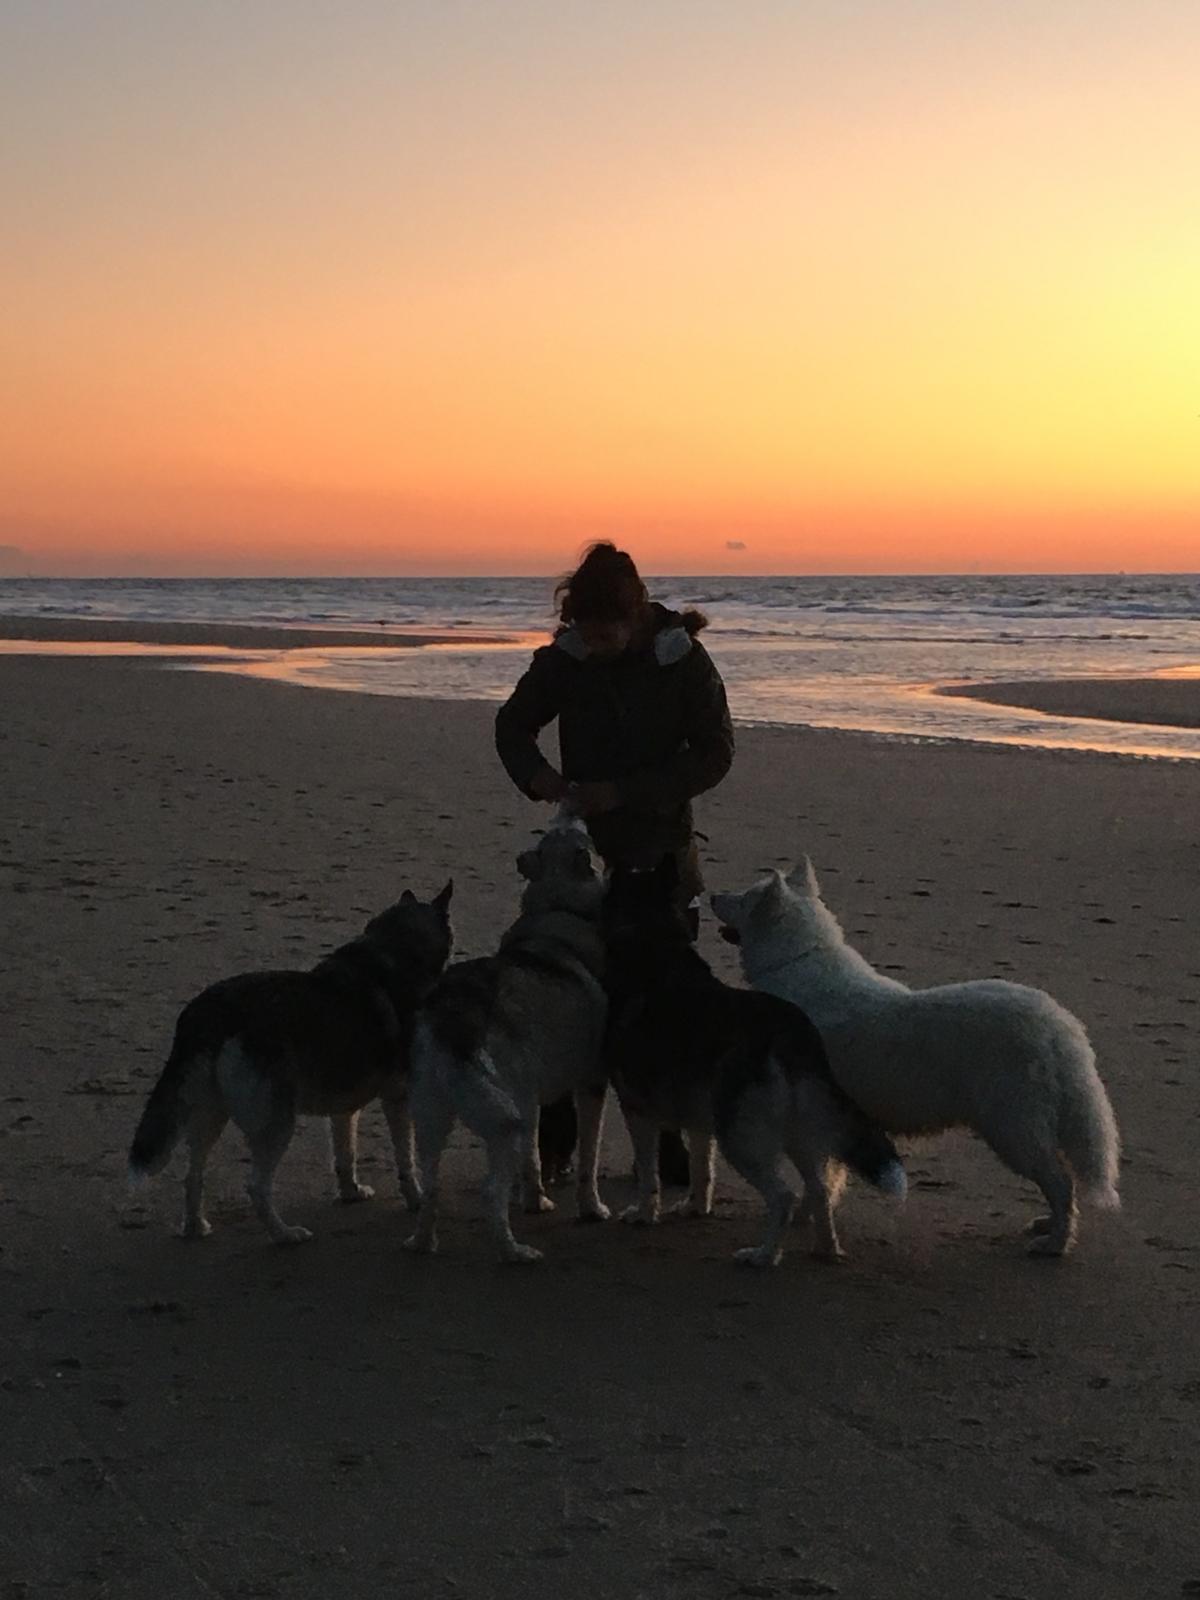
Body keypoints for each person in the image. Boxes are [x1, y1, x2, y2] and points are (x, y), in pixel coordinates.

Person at [494, 541, 735, 1184]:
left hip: (659, 843)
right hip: (582, 845)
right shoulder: (566, 659)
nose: (594, 645)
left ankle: (668, 1146)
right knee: (564, 993)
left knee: (662, 998)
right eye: (585, 633)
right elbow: (512, 727)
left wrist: (626, 791)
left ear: (634, 619)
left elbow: (715, 753)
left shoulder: (680, 658)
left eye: (604, 635)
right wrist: (541, 779)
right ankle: (556, 1147)